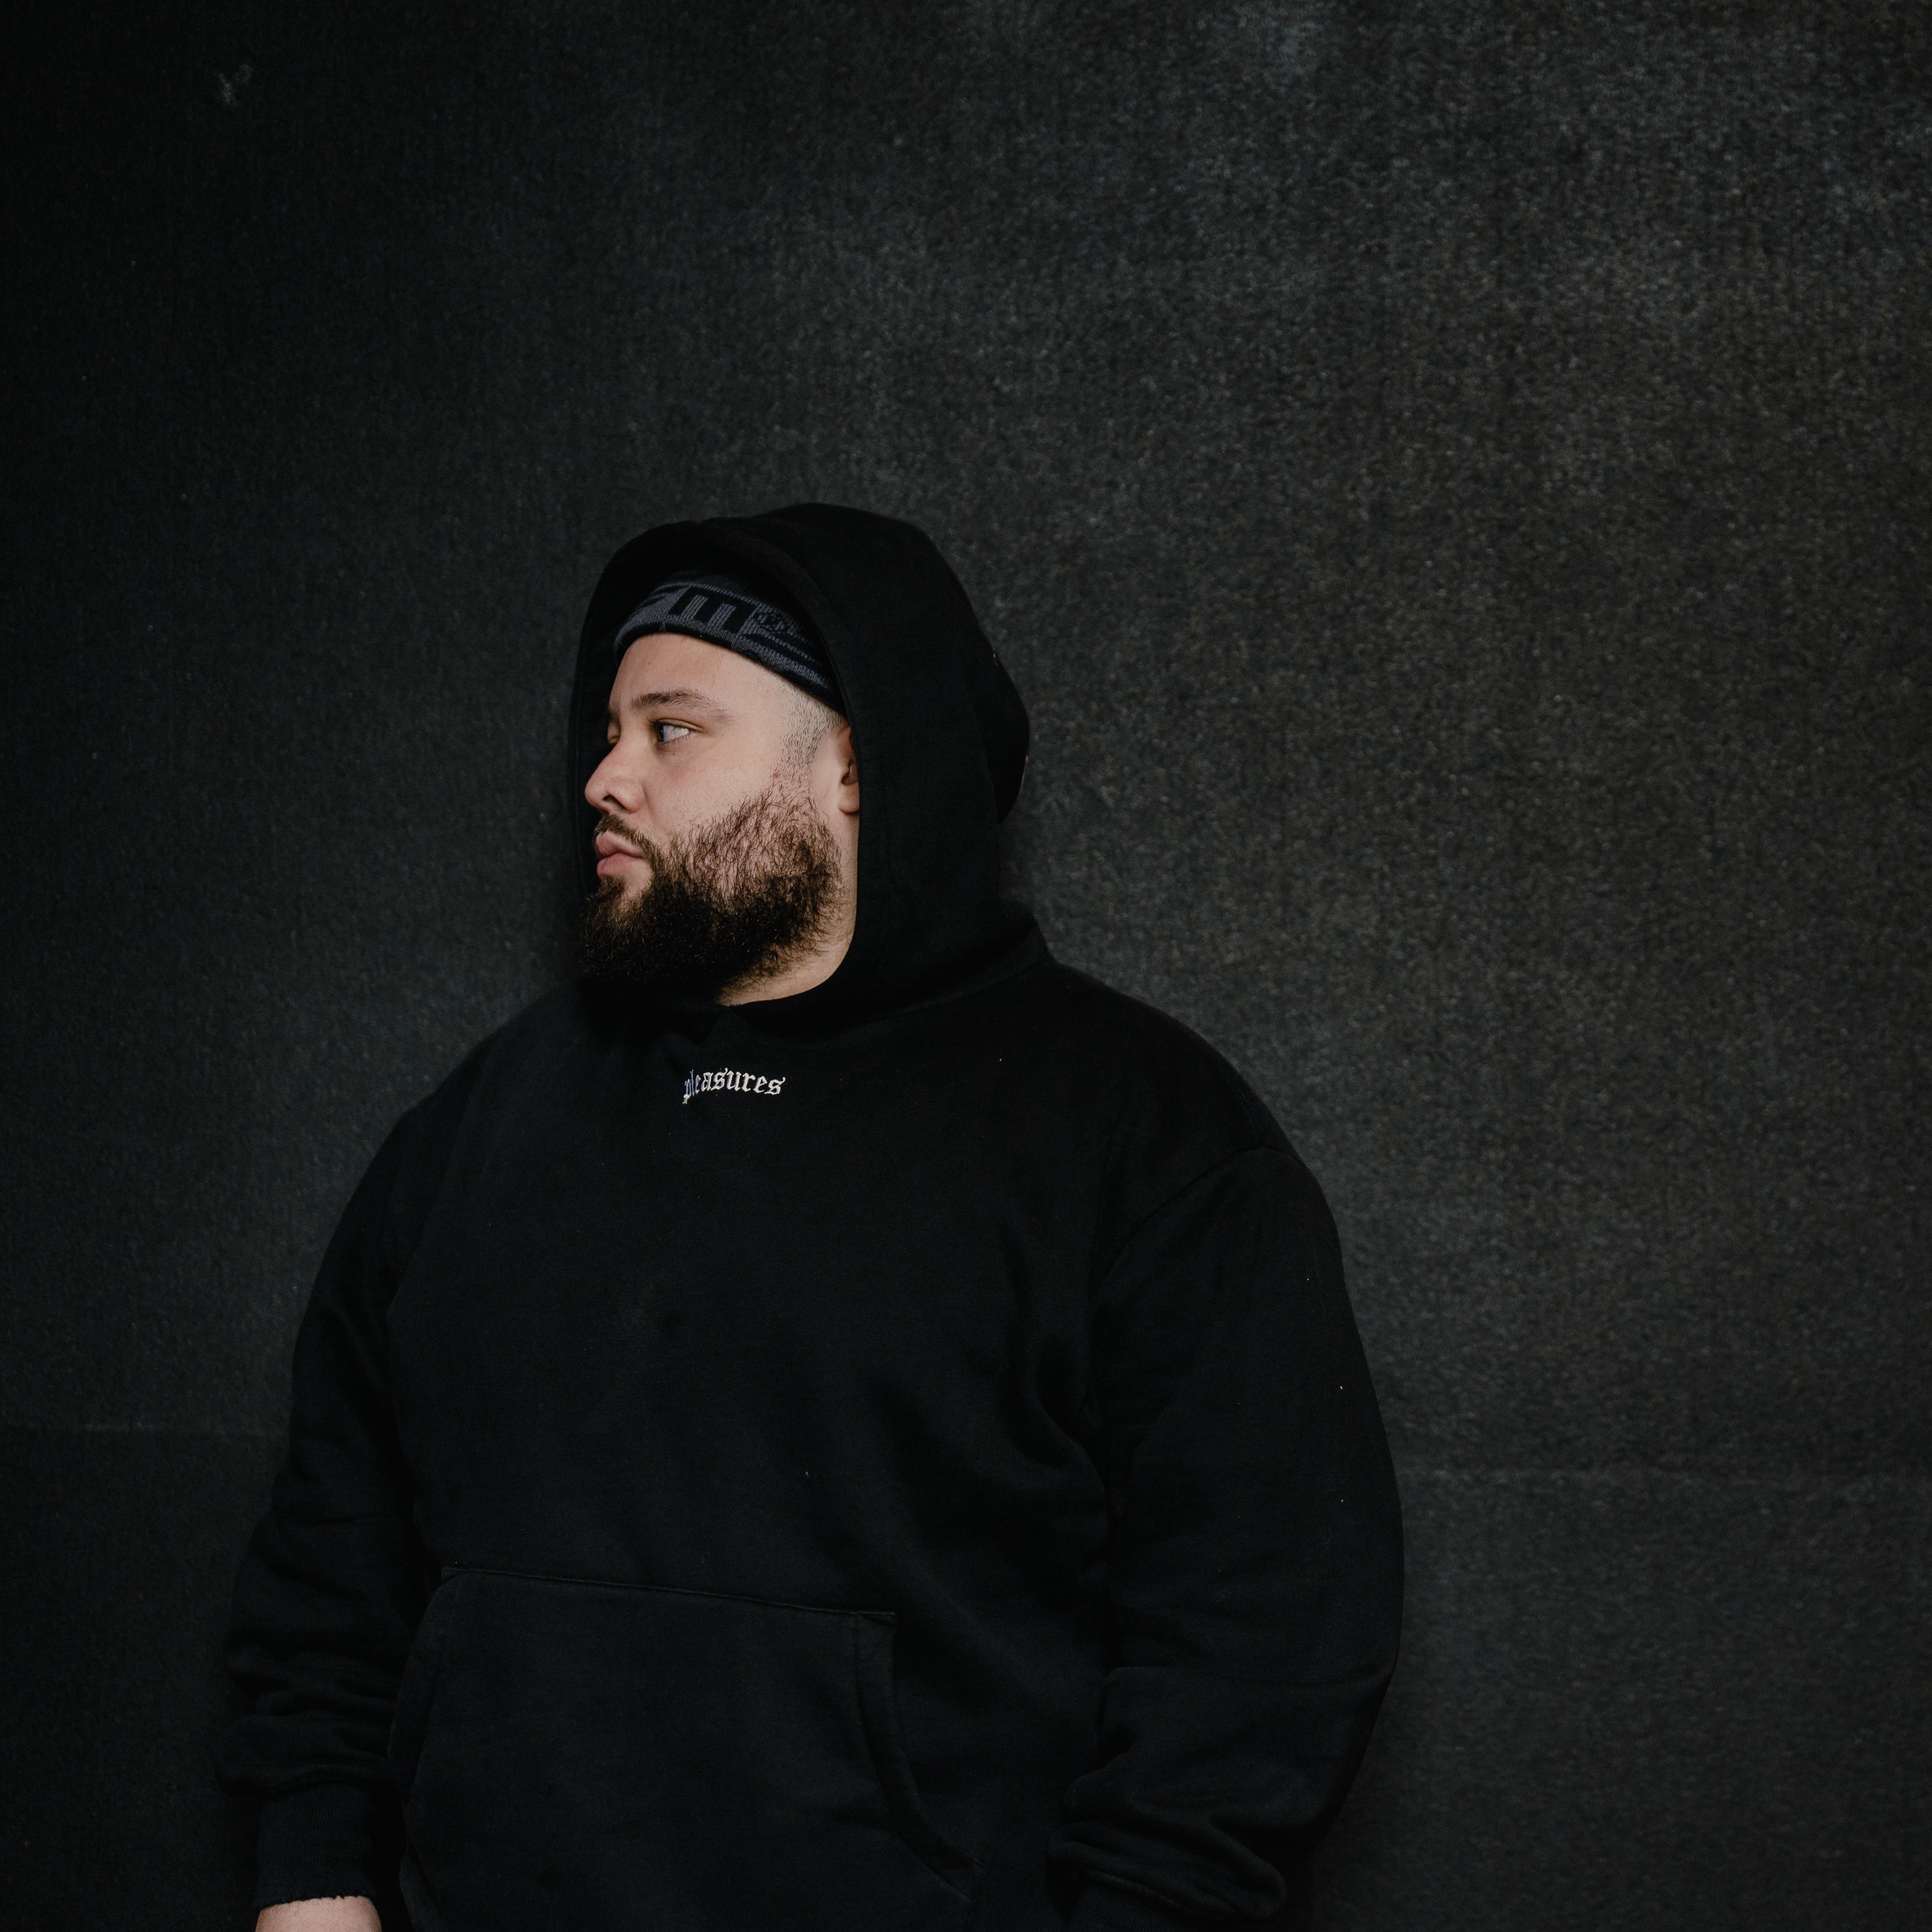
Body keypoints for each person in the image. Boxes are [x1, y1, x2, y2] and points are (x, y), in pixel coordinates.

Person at [217, 503, 1404, 1932]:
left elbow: (1256, 1639)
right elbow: (333, 1544)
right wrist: (314, 1881)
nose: (602, 777)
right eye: (605, 732)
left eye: (670, 730)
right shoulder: (482, 1122)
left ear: (851, 762)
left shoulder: (1140, 1135)